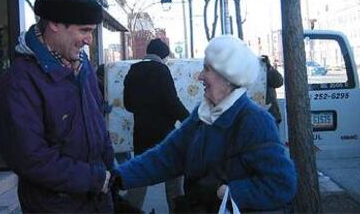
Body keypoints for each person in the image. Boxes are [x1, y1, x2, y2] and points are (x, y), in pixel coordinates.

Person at [113, 35, 297, 213]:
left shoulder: (255, 121)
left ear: (227, 77)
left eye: (207, 69)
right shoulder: (202, 115)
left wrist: (224, 192)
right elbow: (167, 156)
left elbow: (282, 184)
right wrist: (118, 177)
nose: (200, 76)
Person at [0, 0, 115, 212]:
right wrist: (96, 179)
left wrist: (112, 174)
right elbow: (30, 158)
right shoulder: (19, 82)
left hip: (98, 202)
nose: (89, 40)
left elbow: (99, 127)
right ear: (55, 24)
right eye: (84, 30)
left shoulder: (84, 68)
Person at [122, 38, 189, 211]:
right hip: (164, 134)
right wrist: (189, 121)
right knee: (174, 185)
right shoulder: (161, 70)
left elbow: (128, 104)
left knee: (137, 182)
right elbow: (172, 101)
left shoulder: (133, 70)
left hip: (141, 134)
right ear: (162, 55)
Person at [262, 55, 284, 124]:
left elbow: (279, 82)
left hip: (271, 115)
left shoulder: (265, 69)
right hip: (252, 117)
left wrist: (268, 67)